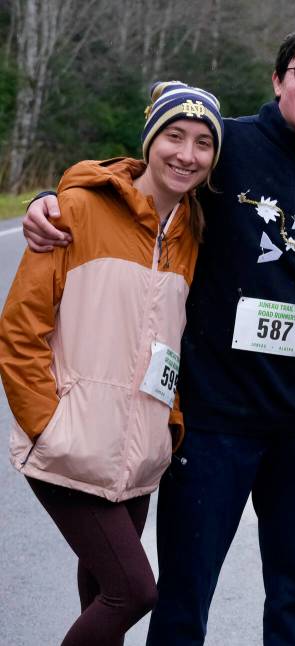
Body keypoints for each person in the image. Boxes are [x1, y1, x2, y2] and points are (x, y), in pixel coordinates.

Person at [22, 25, 295, 646]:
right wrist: (52, 197)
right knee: (185, 595)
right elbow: (134, 178)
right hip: (212, 421)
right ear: (278, 79)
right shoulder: (228, 146)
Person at [0, 82, 222, 646]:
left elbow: (170, 338)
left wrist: (167, 425)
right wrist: (47, 424)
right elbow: (22, 327)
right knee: (134, 591)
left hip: (142, 451)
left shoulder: (192, 232)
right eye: (174, 136)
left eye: (202, 143)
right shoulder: (76, 209)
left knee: (102, 592)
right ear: (149, 141)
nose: (186, 154)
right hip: (71, 443)